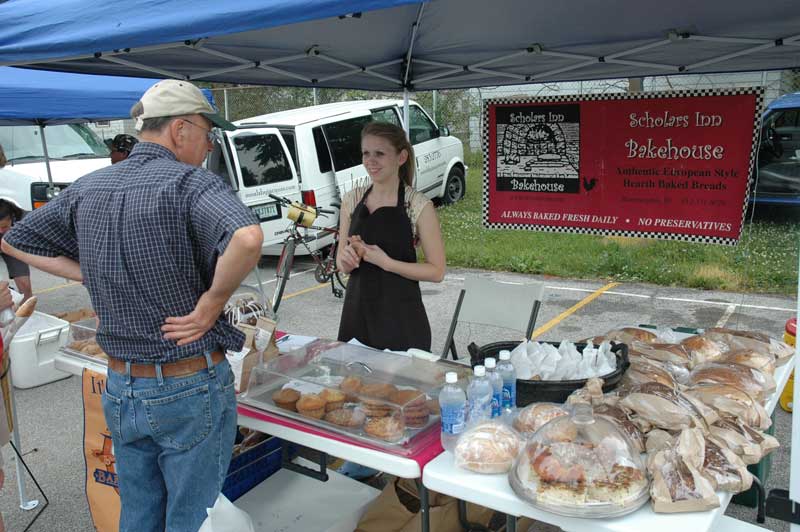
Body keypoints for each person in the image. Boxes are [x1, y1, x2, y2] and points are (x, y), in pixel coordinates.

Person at [2, 79, 264, 532]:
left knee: (139, 514)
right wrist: (211, 304)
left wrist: (81, 270)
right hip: (188, 381)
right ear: (180, 130)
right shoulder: (190, 182)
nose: (208, 145)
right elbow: (247, 236)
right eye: (207, 133)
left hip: (122, 385)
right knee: (195, 517)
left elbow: (15, 238)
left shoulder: (90, 187)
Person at [336, 121, 446, 352]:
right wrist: (345, 261)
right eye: (366, 153)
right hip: (357, 317)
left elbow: (436, 271)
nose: (370, 161)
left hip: (402, 320)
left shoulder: (417, 205)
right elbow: (340, 264)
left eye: (379, 153)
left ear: (401, 157)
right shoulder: (351, 200)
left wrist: (386, 263)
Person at [0, 200, 32, 303]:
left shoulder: (25, 219)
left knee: (25, 285)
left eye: (4, 227)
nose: (0, 231)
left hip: (13, 247)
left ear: (12, 217)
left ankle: (27, 315)